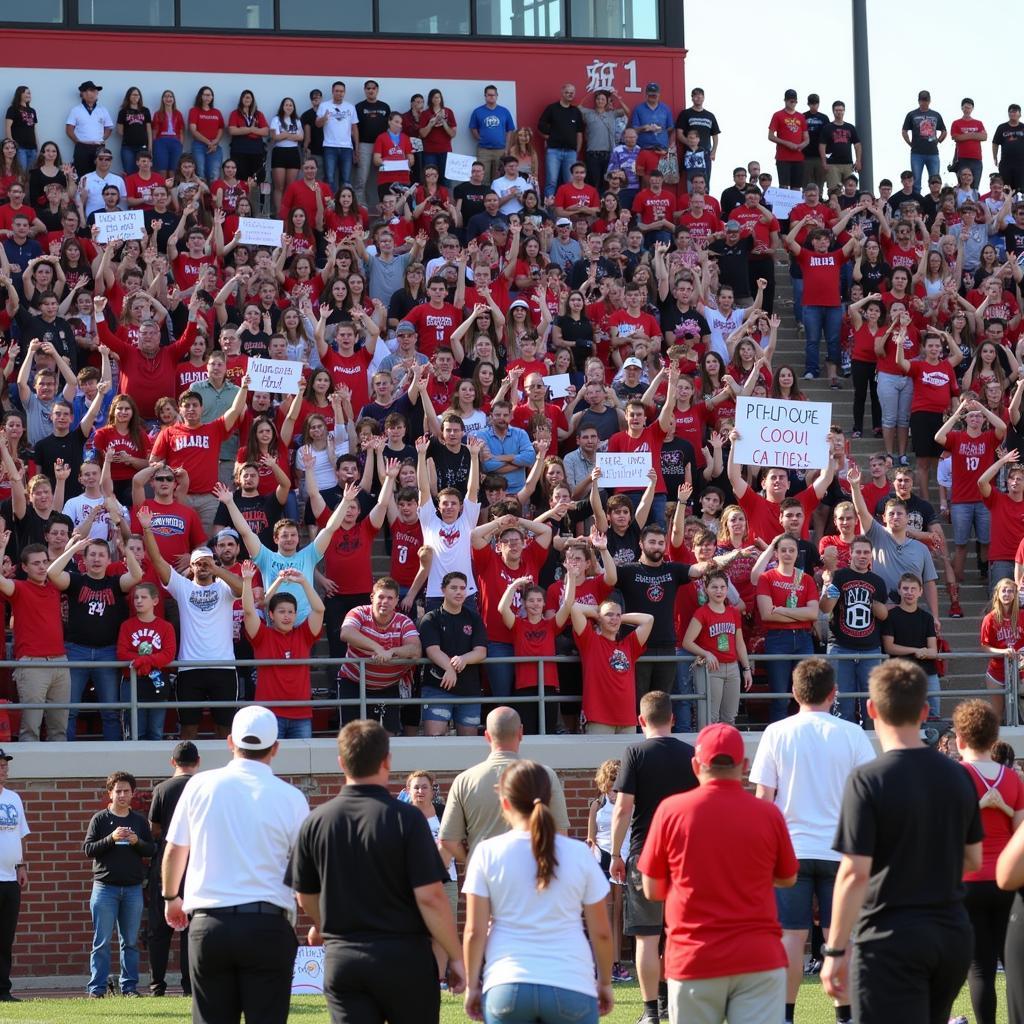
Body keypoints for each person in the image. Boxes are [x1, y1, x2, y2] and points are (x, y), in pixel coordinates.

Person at [822, 659, 983, 1022]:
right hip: (951, 934)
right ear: (926, 711)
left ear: (871, 708)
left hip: (889, 937)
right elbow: (972, 858)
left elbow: (854, 873)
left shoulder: (867, 780)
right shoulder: (958, 776)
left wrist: (834, 951)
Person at [289, 720, 465, 1023]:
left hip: (346, 958)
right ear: (387, 761)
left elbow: (304, 895)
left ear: (341, 762)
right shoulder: (407, 819)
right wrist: (456, 956)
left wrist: (329, 929)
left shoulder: (317, 821)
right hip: (405, 956)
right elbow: (431, 897)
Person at [640, 722, 798, 1024]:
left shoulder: (671, 811)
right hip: (758, 956)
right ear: (745, 765)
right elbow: (788, 877)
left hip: (694, 956)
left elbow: (652, 889)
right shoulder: (768, 814)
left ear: (696, 765)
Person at [162, 706, 310, 1024]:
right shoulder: (292, 798)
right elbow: (304, 871)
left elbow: (175, 848)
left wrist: (171, 897)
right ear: (275, 747)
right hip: (268, 924)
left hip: (210, 924)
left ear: (230, 742)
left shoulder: (199, 786)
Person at [750, 658, 875, 1024]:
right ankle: (846, 1014)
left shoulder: (777, 732)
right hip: (841, 851)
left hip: (791, 850)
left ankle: (786, 1015)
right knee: (843, 937)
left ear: (794, 692)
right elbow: (868, 796)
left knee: (791, 936)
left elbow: (763, 799)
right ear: (833, 693)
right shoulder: (852, 733)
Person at [463, 759, 614, 1024]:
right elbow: (601, 932)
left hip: (507, 984)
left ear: (505, 802)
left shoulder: (486, 853)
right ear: (548, 799)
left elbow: (474, 932)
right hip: (572, 983)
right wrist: (603, 982)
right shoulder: (579, 853)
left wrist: (472, 985)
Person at [609, 690, 698, 1024]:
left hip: (644, 854)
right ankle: (676, 1006)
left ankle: (650, 1013)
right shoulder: (691, 755)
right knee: (680, 934)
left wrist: (615, 853)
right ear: (672, 718)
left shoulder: (634, 751)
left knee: (647, 936)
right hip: (685, 857)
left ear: (640, 720)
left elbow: (622, 809)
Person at [138, 510, 243, 740]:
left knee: (226, 731)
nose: (203, 566)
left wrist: (217, 569)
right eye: (198, 563)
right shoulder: (183, 588)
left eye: (207, 562)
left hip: (223, 667)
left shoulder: (223, 587)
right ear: (191, 567)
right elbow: (157, 561)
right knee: (188, 729)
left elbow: (242, 588)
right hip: (189, 669)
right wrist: (147, 529)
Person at [953, 699, 1024, 1024]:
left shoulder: (954, 776)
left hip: (968, 880)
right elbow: (1020, 832)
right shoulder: (1013, 780)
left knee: (980, 969)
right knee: (1014, 966)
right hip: (1009, 882)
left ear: (960, 739)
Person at [438, 706, 569, 867]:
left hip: (485, 880)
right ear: (521, 732)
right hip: (534, 878)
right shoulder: (545, 775)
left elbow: (448, 840)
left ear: (487, 735)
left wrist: (475, 860)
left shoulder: (464, 780)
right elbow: (560, 835)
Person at [82, 770, 155, 998]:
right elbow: (88, 850)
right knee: (101, 942)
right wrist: (111, 838)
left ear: (132, 794)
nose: (122, 795)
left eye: (126, 791)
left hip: (132, 889)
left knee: (130, 942)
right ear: (110, 794)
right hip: (105, 888)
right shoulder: (100, 819)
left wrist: (136, 841)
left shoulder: (139, 822)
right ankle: (97, 989)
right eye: (118, 791)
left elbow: (151, 850)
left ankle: (129, 987)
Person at [0, 539, 71, 743]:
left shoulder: (55, 587)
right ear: (24, 567)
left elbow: (60, 566)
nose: (42, 567)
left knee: (59, 729)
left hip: (61, 661)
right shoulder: (19, 588)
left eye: (44, 562)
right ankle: (29, 776)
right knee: (30, 728)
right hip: (32, 664)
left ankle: (59, 773)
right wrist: (2, 548)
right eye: (36, 563)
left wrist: (73, 546)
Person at [147, 740, 199, 998]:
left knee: (160, 929)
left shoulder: (162, 789)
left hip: (166, 863)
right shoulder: (203, 788)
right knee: (192, 931)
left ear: (173, 763)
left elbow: (154, 829)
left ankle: (157, 985)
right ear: (197, 762)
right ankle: (190, 986)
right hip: (197, 865)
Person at [818, 534, 889, 724]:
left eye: (866, 552)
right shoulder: (839, 576)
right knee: (842, 704)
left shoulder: (878, 582)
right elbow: (825, 608)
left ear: (871, 555)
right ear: (850, 554)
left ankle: (871, 748)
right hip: (841, 647)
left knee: (872, 704)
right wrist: (831, 588)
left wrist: (873, 603)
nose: (862, 556)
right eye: (858, 552)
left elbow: (883, 615)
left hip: (870, 648)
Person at [0, 748, 28, 1004]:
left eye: (5, 765)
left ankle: (3, 989)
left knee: (5, 937)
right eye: (0, 765)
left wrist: (21, 865)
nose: (3, 769)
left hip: (10, 878)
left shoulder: (14, 798)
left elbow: (19, 835)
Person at [902, 90, 947, 193]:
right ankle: (917, 204)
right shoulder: (911, 114)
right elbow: (904, 131)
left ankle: (934, 203)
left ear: (929, 100)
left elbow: (944, 131)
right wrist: (909, 143)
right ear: (918, 101)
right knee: (916, 182)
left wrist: (939, 140)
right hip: (917, 153)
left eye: (926, 100)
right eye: (922, 100)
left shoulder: (936, 114)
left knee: (935, 181)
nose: (924, 102)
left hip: (933, 153)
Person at [768, 89, 808, 190]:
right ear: (785, 101)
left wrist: (801, 145)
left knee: (796, 188)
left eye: (794, 101)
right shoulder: (778, 115)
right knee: (784, 187)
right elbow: (771, 136)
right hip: (783, 157)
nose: (793, 103)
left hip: (798, 157)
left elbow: (807, 138)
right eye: (790, 101)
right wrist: (787, 143)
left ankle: (796, 206)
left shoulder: (801, 117)